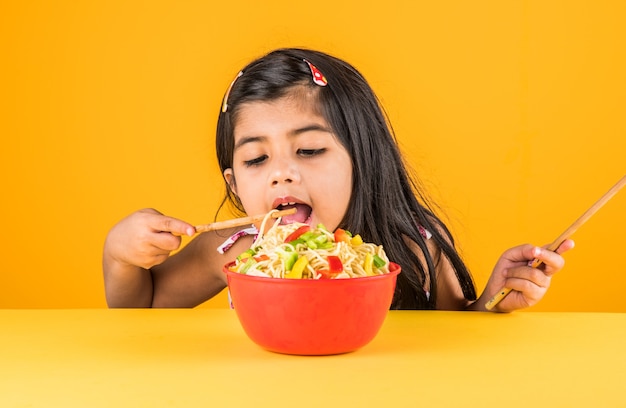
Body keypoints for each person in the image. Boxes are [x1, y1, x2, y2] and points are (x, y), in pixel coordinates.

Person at [103, 48, 574, 311]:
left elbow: (458, 336)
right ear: (233, 183)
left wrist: (494, 299)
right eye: (255, 159)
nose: (282, 171)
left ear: (362, 158)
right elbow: (139, 313)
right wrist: (120, 255)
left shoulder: (413, 243)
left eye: (308, 150)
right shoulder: (237, 249)